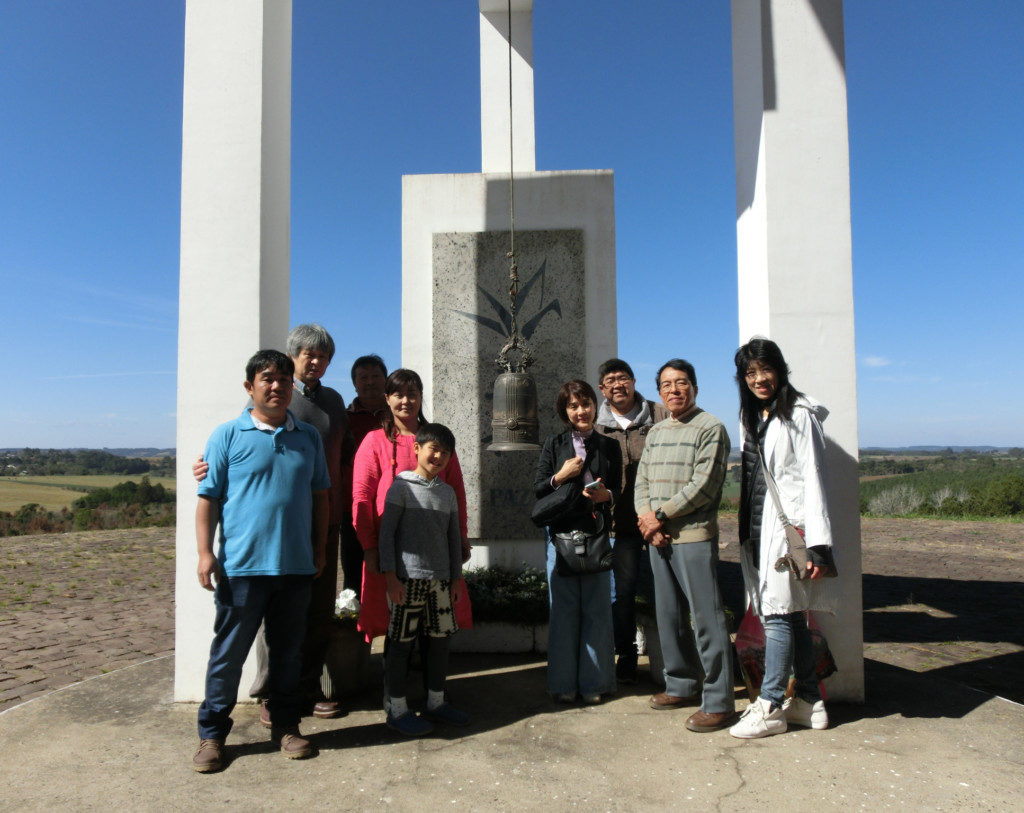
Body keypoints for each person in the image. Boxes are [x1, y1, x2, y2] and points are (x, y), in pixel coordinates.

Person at [193, 324, 351, 722]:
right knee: (253, 631)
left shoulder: (333, 402)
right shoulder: (270, 402)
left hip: (316, 525)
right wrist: (205, 468)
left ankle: (306, 689)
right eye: (306, 354)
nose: (314, 362)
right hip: (254, 548)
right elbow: (240, 448)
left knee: (312, 615)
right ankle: (264, 696)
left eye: (322, 356)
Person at [728, 338, 839, 739]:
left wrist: (818, 545)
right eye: (750, 373)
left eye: (765, 370)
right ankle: (810, 701)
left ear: (780, 370)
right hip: (760, 529)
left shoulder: (799, 415)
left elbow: (814, 479)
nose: (759, 379)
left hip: (789, 531)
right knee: (792, 616)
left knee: (777, 616)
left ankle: (771, 703)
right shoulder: (754, 415)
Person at [634, 359, 736, 732]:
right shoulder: (657, 431)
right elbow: (641, 479)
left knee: (706, 619)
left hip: (692, 535)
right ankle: (681, 683)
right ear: (658, 392)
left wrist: (659, 515)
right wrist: (648, 520)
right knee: (669, 615)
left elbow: (705, 484)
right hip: (656, 534)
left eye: (681, 383)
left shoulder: (711, 427)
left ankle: (720, 700)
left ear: (695, 387)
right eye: (665, 385)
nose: (673, 390)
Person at [352, 368, 471, 644]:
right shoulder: (374, 442)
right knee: (391, 623)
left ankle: (431, 679)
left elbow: (458, 493)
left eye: (412, 394)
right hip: (390, 550)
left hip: (434, 549)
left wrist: (461, 536)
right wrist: (369, 546)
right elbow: (361, 496)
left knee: (434, 626)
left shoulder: (438, 442)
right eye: (398, 395)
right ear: (387, 398)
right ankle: (394, 680)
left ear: (421, 398)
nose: (405, 401)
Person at [378, 423, 470, 736]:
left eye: (446, 452)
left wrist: (456, 579)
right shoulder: (400, 487)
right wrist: (390, 577)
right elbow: (386, 535)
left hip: (441, 583)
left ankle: (436, 702)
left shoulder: (447, 494)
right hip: (406, 581)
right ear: (417, 449)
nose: (439, 456)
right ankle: (397, 708)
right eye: (434, 449)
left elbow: (453, 539)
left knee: (440, 644)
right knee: (401, 645)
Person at [534, 380, 622, 704]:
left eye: (585, 403)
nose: (581, 411)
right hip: (560, 536)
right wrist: (562, 475)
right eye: (573, 406)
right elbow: (540, 488)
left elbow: (618, 489)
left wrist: (606, 495)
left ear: (595, 406)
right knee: (564, 610)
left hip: (596, 533)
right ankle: (563, 684)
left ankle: (595, 683)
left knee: (598, 609)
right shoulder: (554, 444)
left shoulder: (609, 446)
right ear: (565, 411)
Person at [594, 358, 668, 684]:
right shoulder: (596, 427)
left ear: (634, 381)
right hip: (618, 525)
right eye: (610, 381)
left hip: (659, 522)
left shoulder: (660, 415)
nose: (617, 385)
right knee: (621, 595)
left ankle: (668, 658)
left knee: (664, 590)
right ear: (602, 389)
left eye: (622, 378)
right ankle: (626, 655)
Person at [341, 354, 389, 593]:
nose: (370, 382)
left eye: (375, 376)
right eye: (363, 377)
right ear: (354, 383)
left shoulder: (399, 417)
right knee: (353, 568)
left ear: (386, 380)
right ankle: (354, 618)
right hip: (353, 506)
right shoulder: (343, 419)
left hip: (393, 505)